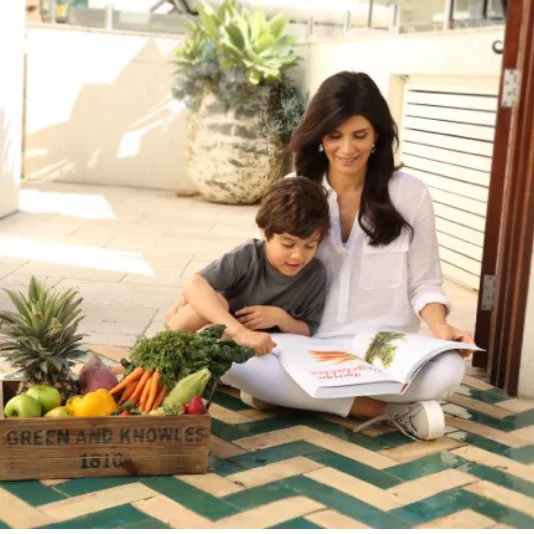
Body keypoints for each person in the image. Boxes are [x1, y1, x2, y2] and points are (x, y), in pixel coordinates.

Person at [184, 71, 474, 441]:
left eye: (360, 135)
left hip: (382, 346)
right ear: (319, 136)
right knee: (232, 358)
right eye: (334, 135)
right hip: (306, 341)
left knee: (447, 371)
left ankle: (296, 397)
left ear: (378, 137)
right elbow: (265, 265)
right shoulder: (294, 189)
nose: (347, 149)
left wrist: (441, 328)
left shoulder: (410, 194)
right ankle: (388, 410)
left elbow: (426, 282)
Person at [167, 177, 330, 354]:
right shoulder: (249, 255)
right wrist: (240, 332)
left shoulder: (315, 274)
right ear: (264, 233)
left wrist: (281, 318)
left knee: (219, 339)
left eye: (310, 245)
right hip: (225, 327)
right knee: (207, 305)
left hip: (256, 346)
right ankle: (158, 355)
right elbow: (194, 285)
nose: (298, 255)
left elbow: (308, 328)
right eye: (288, 244)